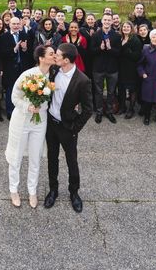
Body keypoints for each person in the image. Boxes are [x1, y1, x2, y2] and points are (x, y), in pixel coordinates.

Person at [44, 43, 93, 213]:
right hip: (51, 124)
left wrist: (75, 128)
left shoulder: (83, 80)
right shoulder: (54, 71)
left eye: (57, 55)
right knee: (52, 158)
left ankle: (74, 193)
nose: (54, 57)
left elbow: (88, 109)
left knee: (72, 161)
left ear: (66, 60)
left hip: (68, 127)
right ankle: (53, 190)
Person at [6, 45, 55, 208]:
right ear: (41, 58)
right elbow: (14, 97)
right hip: (22, 121)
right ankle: (14, 189)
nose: (54, 55)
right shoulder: (28, 75)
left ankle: (32, 191)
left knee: (36, 157)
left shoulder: (53, 75)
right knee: (16, 157)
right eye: (51, 53)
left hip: (40, 122)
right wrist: (28, 107)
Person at [90, 13, 121, 124]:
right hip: (98, 68)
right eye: (105, 20)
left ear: (112, 22)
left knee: (111, 92)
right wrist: (100, 48)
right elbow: (91, 52)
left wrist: (110, 48)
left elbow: (118, 53)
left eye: (109, 20)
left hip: (112, 69)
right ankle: (99, 112)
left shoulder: (117, 36)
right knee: (98, 91)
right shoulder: (95, 35)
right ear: (102, 21)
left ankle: (109, 111)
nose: (107, 22)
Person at [0, 17, 32, 119]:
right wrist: (14, 50)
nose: (16, 26)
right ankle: (10, 111)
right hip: (9, 68)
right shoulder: (4, 37)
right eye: (14, 24)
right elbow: (1, 53)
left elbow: (30, 52)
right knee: (10, 90)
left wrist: (25, 48)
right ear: (9, 24)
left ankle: (22, 110)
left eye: (18, 24)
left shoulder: (24, 35)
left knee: (23, 90)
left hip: (22, 67)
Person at [136, 29, 156, 125]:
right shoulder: (145, 49)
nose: (155, 39)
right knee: (148, 100)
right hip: (149, 78)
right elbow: (139, 64)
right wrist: (143, 74)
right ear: (150, 38)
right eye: (153, 37)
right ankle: (147, 117)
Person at [117, 21, 143, 116]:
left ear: (131, 28)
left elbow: (137, 56)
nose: (126, 28)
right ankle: (122, 107)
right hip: (121, 68)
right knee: (121, 89)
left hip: (131, 69)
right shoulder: (120, 38)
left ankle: (131, 109)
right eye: (124, 27)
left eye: (128, 27)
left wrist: (128, 51)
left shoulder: (135, 40)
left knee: (132, 89)